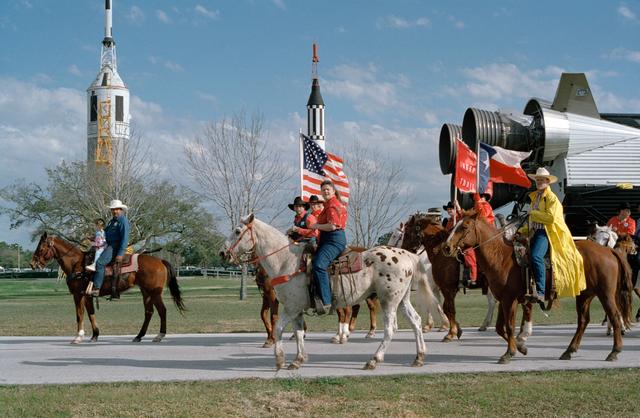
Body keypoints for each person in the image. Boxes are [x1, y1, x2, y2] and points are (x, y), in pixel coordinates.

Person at [517, 167, 586, 302]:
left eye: (542, 180)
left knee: (536, 256)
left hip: (547, 233)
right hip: (535, 232)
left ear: (548, 181)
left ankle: (541, 292)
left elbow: (551, 218)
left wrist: (533, 213)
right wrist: (520, 231)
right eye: (537, 180)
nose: (539, 182)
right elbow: (532, 220)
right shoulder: (535, 197)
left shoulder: (552, 198)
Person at [308, 181, 348, 315]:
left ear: (333, 190)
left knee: (319, 265)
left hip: (334, 240)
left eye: (327, 189)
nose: (325, 191)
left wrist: (316, 226)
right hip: (327, 239)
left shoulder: (332, 205)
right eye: (323, 189)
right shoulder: (329, 204)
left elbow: (332, 226)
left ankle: (326, 301)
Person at [90, 199, 130, 299]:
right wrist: (94, 238)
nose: (115, 211)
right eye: (113, 209)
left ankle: (97, 288)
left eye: (117, 209)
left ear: (121, 210)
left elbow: (125, 238)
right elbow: (105, 234)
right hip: (107, 244)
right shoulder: (112, 222)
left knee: (99, 263)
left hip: (115, 246)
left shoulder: (123, 221)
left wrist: (120, 253)